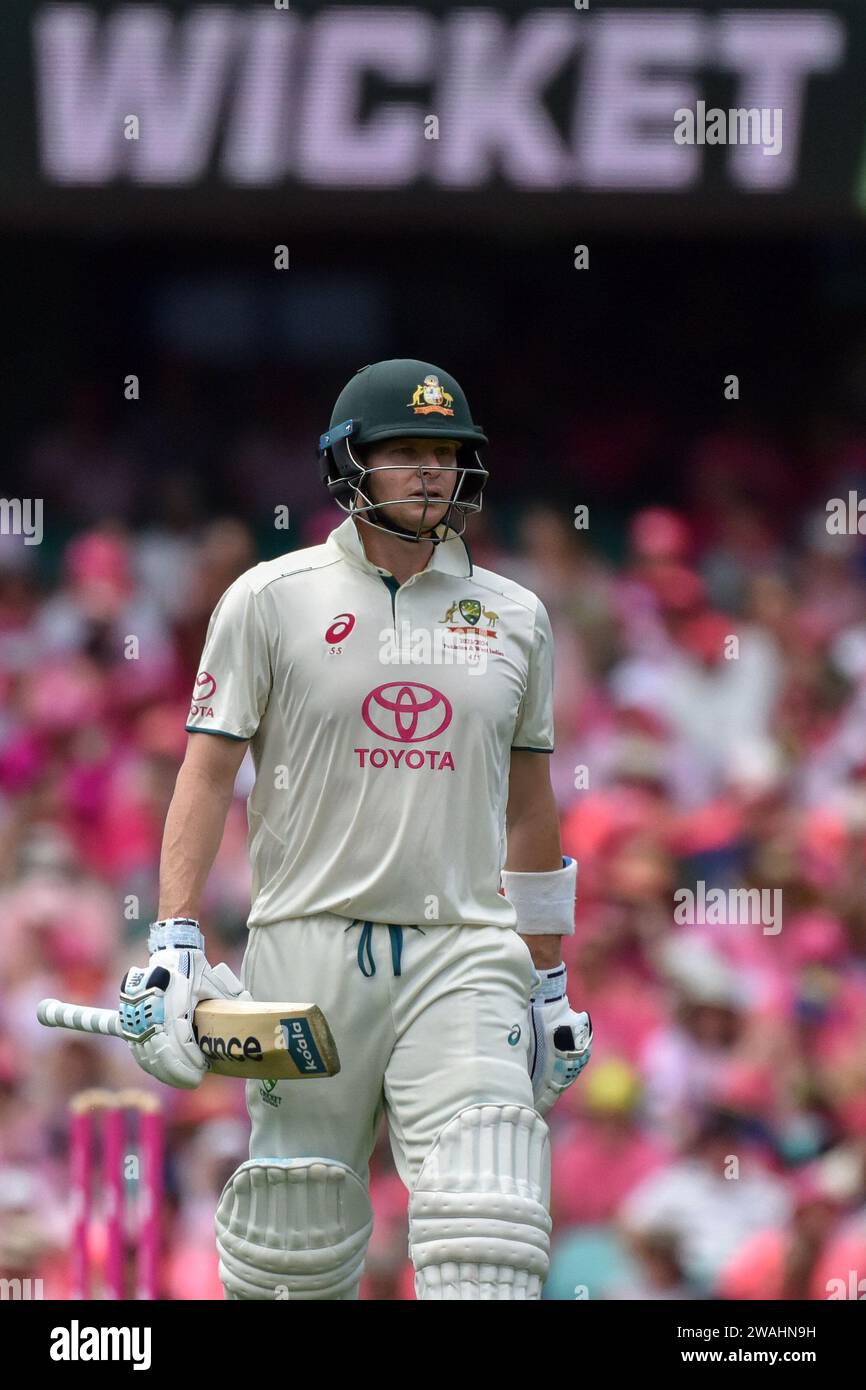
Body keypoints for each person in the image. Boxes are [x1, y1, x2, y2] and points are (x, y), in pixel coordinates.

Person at [120, 359, 592, 1301]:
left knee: (486, 1220)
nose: (432, 472)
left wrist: (546, 979)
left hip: (465, 946)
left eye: (448, 454)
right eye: (406, 452)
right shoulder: (269, 597)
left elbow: (531, 804)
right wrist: (172, 936)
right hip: (308, 945)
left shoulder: (514, 615)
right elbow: (208, 772)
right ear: (348, 464)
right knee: (296, 1238)